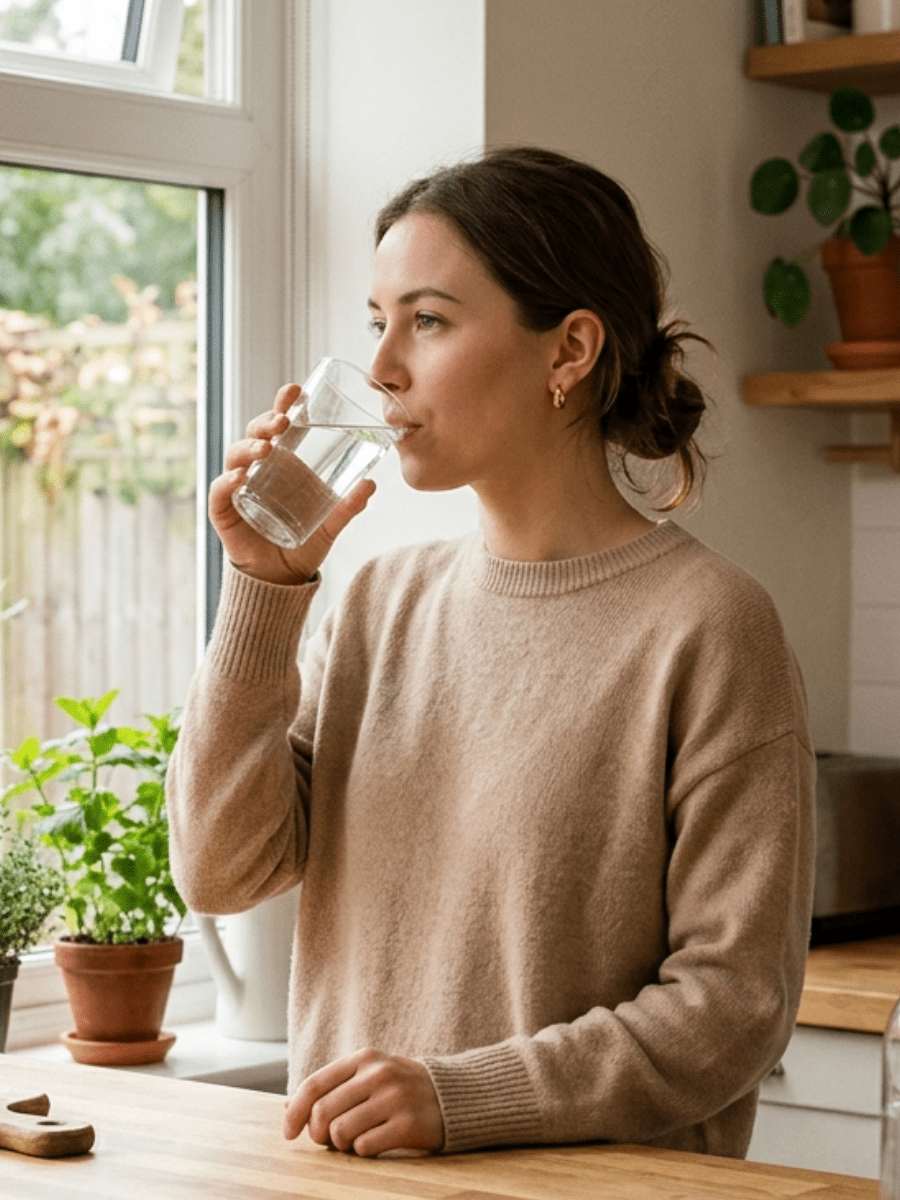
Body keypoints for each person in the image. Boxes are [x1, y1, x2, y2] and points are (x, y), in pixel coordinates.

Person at [167, 146, 815, 1161]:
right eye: (375, 322)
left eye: (426, 320)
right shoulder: (379, 604)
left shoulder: (710, 625)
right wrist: (263, 588)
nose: (381, 367)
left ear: (570, 352)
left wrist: (462, 1097)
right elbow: (218, 867)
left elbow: (734, 1007)